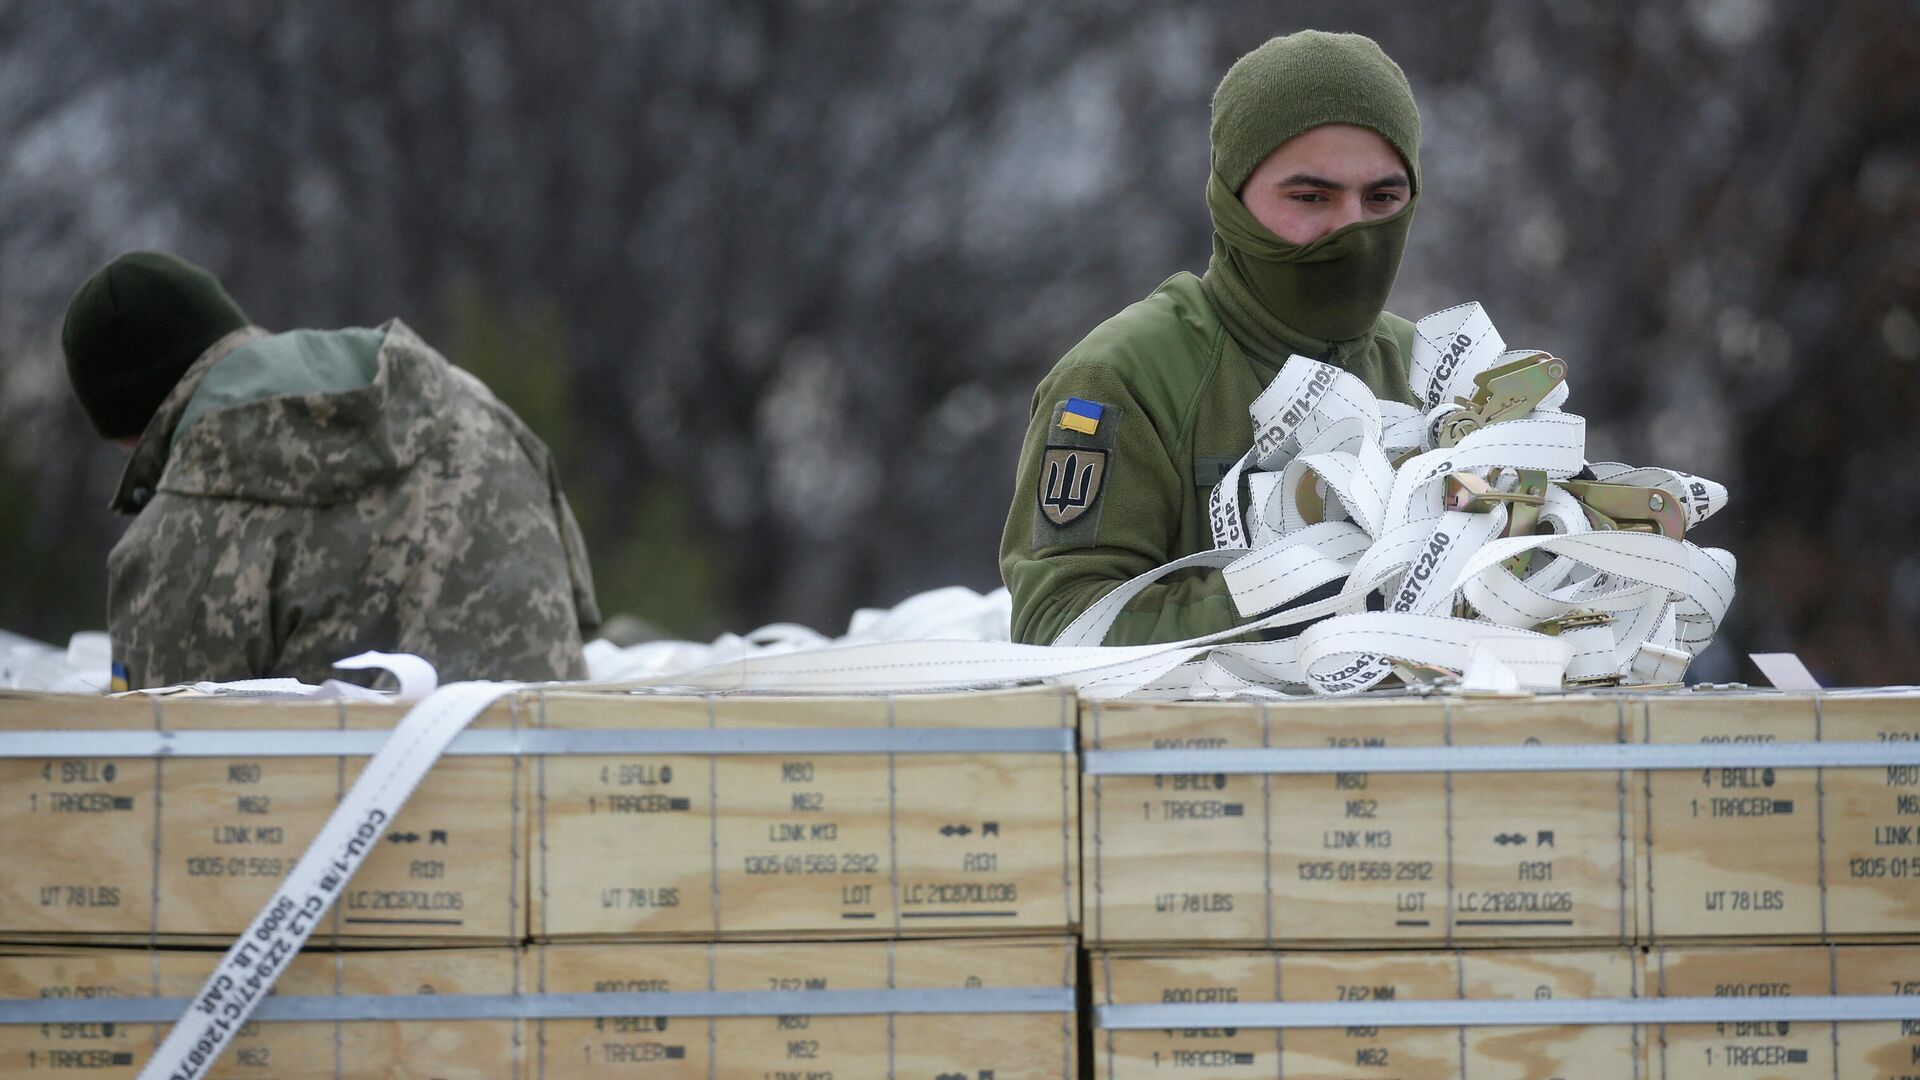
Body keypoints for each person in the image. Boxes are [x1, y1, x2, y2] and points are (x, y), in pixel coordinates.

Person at [1000, 30, 1423, 646]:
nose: (1351, 229)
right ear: (1232, 201)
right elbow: (1059, 623)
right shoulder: (1124, 377)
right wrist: (1297, 600)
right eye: (1310, 196)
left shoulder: (1431, 370)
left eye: (1383, 197)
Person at [61, 251, 601, 688]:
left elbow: (161, 770)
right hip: (555, 798)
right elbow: (579, 623)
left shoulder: (179, 532)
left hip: (349, 816)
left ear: (132, 427)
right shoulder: (473, 404)